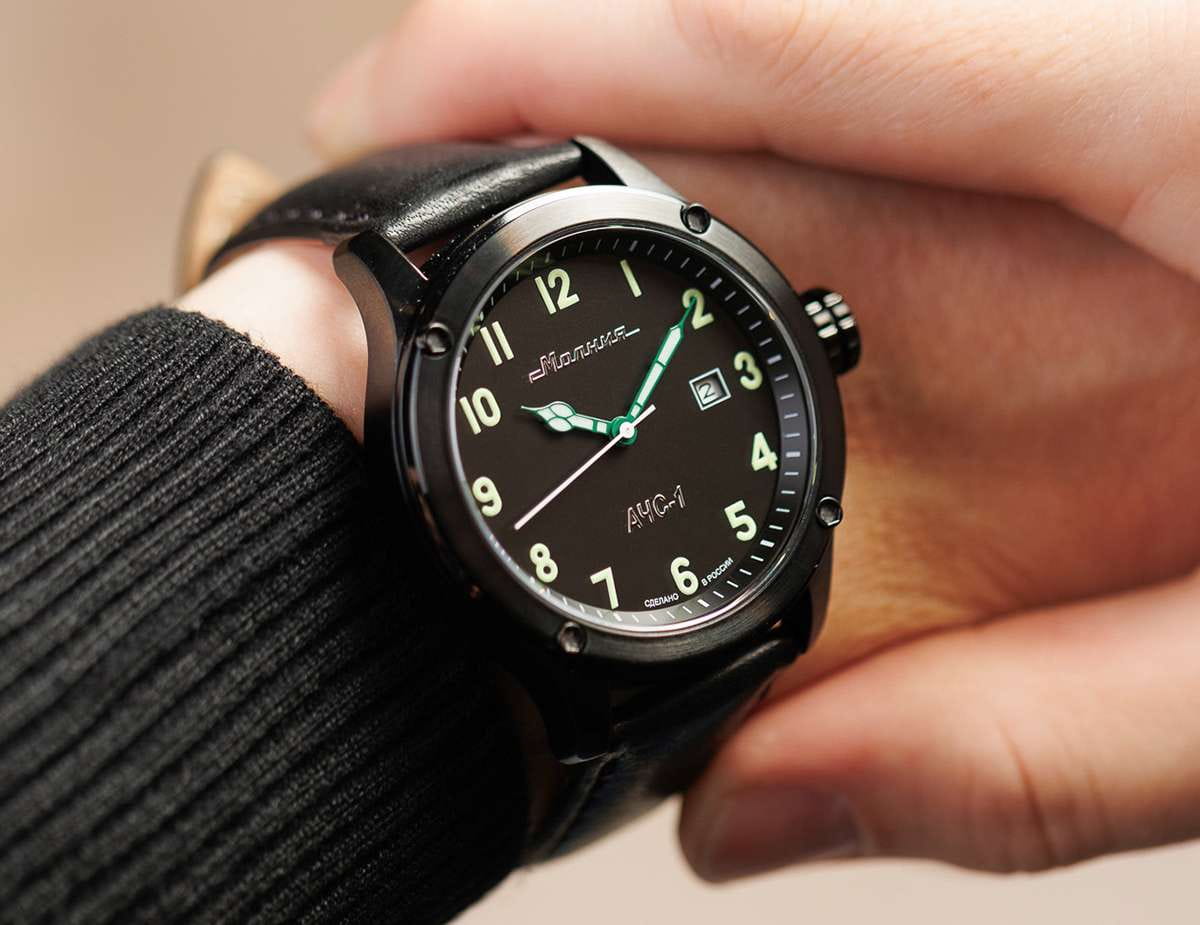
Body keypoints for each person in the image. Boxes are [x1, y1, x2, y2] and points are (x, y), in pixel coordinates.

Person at [2, 0, 1197, 921]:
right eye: (607, 432)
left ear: (815, 334)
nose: (623, 437)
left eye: (629, 422)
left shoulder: (772, 591)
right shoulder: (410, 285)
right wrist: (297, 361)